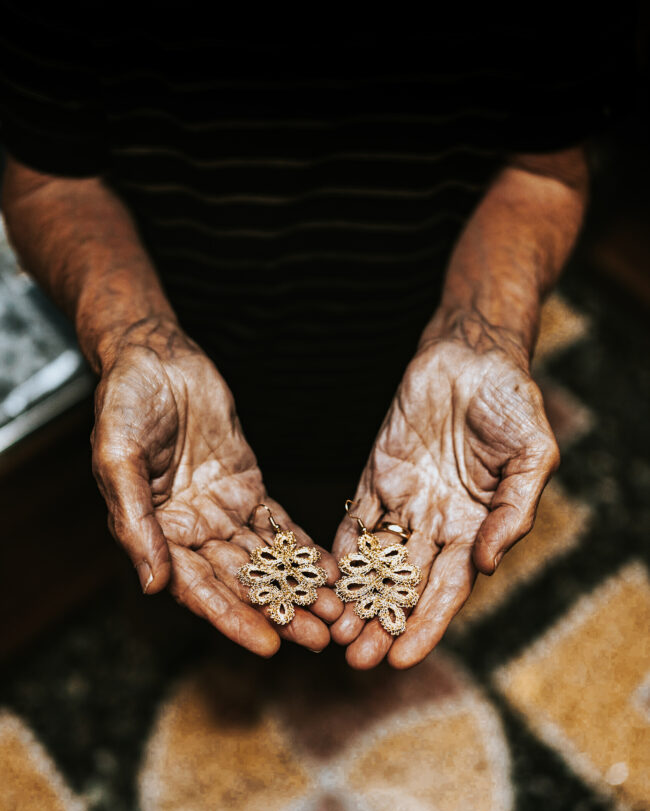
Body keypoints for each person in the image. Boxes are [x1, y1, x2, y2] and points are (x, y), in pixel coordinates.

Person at [0, 12, 631, 668]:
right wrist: (135, 333)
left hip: (418, 393)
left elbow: (546, 172)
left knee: (335, 565)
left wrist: (485, 327)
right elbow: (50, 179)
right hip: (179, 390)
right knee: (166, 567)